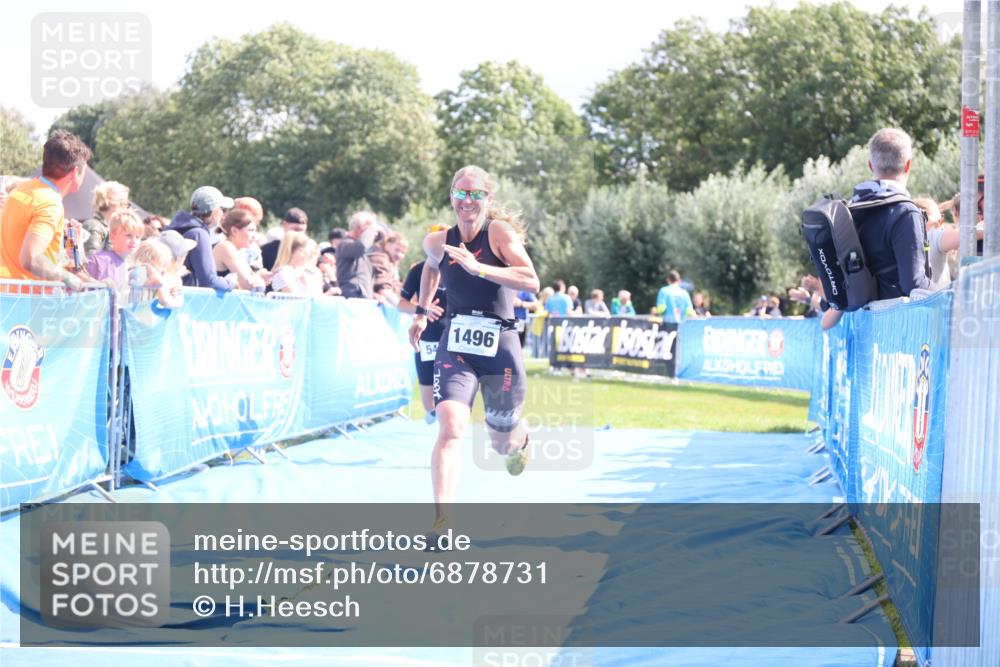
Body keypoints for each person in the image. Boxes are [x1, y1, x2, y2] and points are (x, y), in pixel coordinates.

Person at [408, 165, 539, 539]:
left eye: (475, 194)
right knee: (449, 426)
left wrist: (479, 268)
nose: (467, 201)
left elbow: (530, 279)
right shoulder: (437, 242)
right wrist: (421, 312)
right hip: (457, 345)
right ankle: (442, 521)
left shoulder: (498, 233)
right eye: (461, 193)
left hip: (501, 347)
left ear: (487, 198)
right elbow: (431, 270)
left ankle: (520, 437)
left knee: (501, 445)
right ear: (451, 196)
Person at [820, 128, 932, 330]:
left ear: (870, 164)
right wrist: (946, 297)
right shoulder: (905, 212)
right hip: (897, 331)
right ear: (908, 165)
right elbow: (913, 284)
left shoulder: (849, 211)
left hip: (862, 329)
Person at [0, 130, 91, 289]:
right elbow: (31, 258)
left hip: (9, 297)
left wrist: (73, 249)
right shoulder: (49, 203)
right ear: (75, 172)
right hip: (26, 303)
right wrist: (67, 278)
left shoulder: (23, 189)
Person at [398, 225, 449, 423]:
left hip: (453, 335)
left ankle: (448, 428)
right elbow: (401, 304)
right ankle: (434, 416)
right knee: (429, 403)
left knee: (452, 392)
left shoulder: (460, 266)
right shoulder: (419, 269)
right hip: (427, 337)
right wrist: (422, 310)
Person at [162, 185, 234, 291]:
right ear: (214, 212)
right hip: (183, 301)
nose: (223, 214)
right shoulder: (199, 234)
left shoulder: (173, 230)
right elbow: (209, 281)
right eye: (222, 209)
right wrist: (231, 283)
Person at [84, 210, 143, 285]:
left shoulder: (133, 266)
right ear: (112, 236)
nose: (134, 241)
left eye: (138, 237)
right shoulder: (99, 261)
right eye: (129, 235)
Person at [213, 209, 266, 291]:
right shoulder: (225, 247)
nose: (254, 236)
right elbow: (249, 285)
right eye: (251, 230)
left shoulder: (238, 251)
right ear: (234, 231)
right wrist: (260, 281)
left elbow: (256, 283)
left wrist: (260, 281)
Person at [336, 211, 379, 299]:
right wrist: (369, 231)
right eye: (370, 231)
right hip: (352, 295)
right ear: (360, 228)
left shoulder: (358, 249)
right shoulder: (345, 244)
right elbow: (361, 247)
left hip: (362, 296)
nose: (373, 235)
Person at [82, 181, 130, 255]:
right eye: (126, 204)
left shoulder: (106, 227)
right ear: (116, 204)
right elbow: (92, 261)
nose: (126, 208)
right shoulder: (94, 226)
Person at [270, 231, 322, 296]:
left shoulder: (313, 271)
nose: (308, 255)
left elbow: (319, 296)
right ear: (291, 252)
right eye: (303, 252)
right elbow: (295, 299)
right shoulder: (282, 273)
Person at [369, 231, 409, 305]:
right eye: (397, 250)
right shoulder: (380, 259)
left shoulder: (391, 263)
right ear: (387, 246)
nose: (399, 255)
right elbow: (383, 288)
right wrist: (402, 307)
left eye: (403, 252)